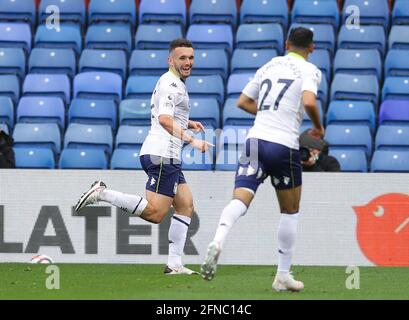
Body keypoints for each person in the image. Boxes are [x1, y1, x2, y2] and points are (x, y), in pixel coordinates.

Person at [201, 27, 325, 292]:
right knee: (290, 211)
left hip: (255, 141)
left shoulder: (269, 65)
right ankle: (282, 275)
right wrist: (317, 126)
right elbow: (309, 101)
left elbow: (243, 102)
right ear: (311, 48)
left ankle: (218, 239)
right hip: (283, 146)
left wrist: (270, 113)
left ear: (287, 43)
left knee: (240, 199)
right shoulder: (310, 71)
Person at [75, 38, 213, 275]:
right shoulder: (172, 84)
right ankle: (102, 192)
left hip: (165, 155)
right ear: (170, 60)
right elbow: (164, 120)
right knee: (156, 213)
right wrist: (192, 140)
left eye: (191, 57)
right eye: (182, 58)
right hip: (162, 155)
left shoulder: (173, 82)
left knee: (185, 205)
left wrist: (187, 123)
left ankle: (174, 264)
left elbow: (167, 115)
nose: (188, 62)